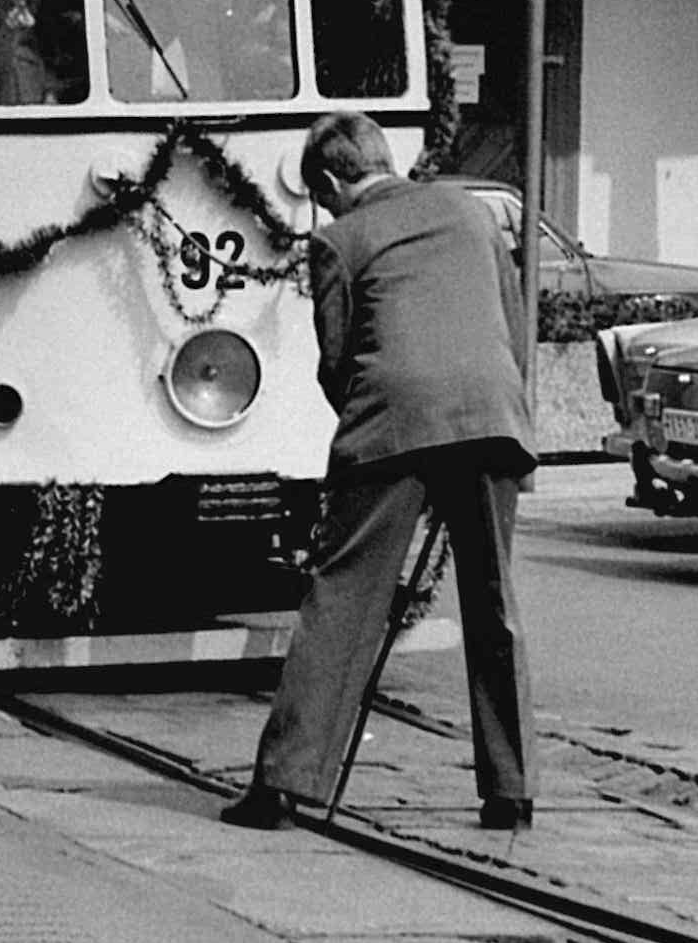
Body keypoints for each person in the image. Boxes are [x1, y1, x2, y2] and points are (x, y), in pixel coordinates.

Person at [223, 111, 535, 834]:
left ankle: (284, 783)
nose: (324, 209)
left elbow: (337, 364)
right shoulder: (469, 212)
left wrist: (378, 438)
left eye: (320, 195)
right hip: (490, 413)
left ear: (331, 180)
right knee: (493, 603)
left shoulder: (338, 239)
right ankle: (510, 791)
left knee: (342, 602)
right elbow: (513, 326)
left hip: (393, 422)